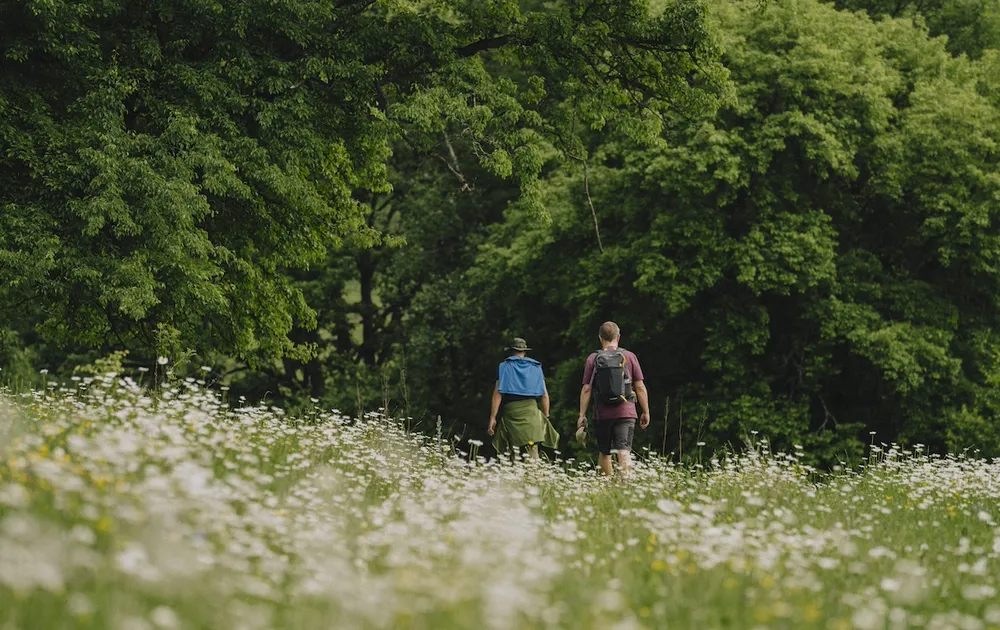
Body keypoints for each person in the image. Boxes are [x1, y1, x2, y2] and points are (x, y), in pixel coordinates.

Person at [577, 321, 650, 477]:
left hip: (602, 413)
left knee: (605, 452)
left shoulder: (593, 358)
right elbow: (640, 386)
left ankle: (607, 487)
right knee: (624, 451)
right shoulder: (629, 356)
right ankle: (625, 486)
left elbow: (586, 389)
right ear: (618, 336)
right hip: (626, 412)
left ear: (600, 338)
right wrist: (646, 411)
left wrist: (582, 415)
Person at [488, 337, 560, 459]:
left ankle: (513, 474)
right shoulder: (536, 367)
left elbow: (497, 394)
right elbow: (544, 394)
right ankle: (533, 475)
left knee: (511, 450)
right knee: (532, 449)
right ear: (525, 352)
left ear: (511, 351)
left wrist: (493, 417)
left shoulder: (504, 366)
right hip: (531, 411)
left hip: (512, 412)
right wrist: (546, 416)